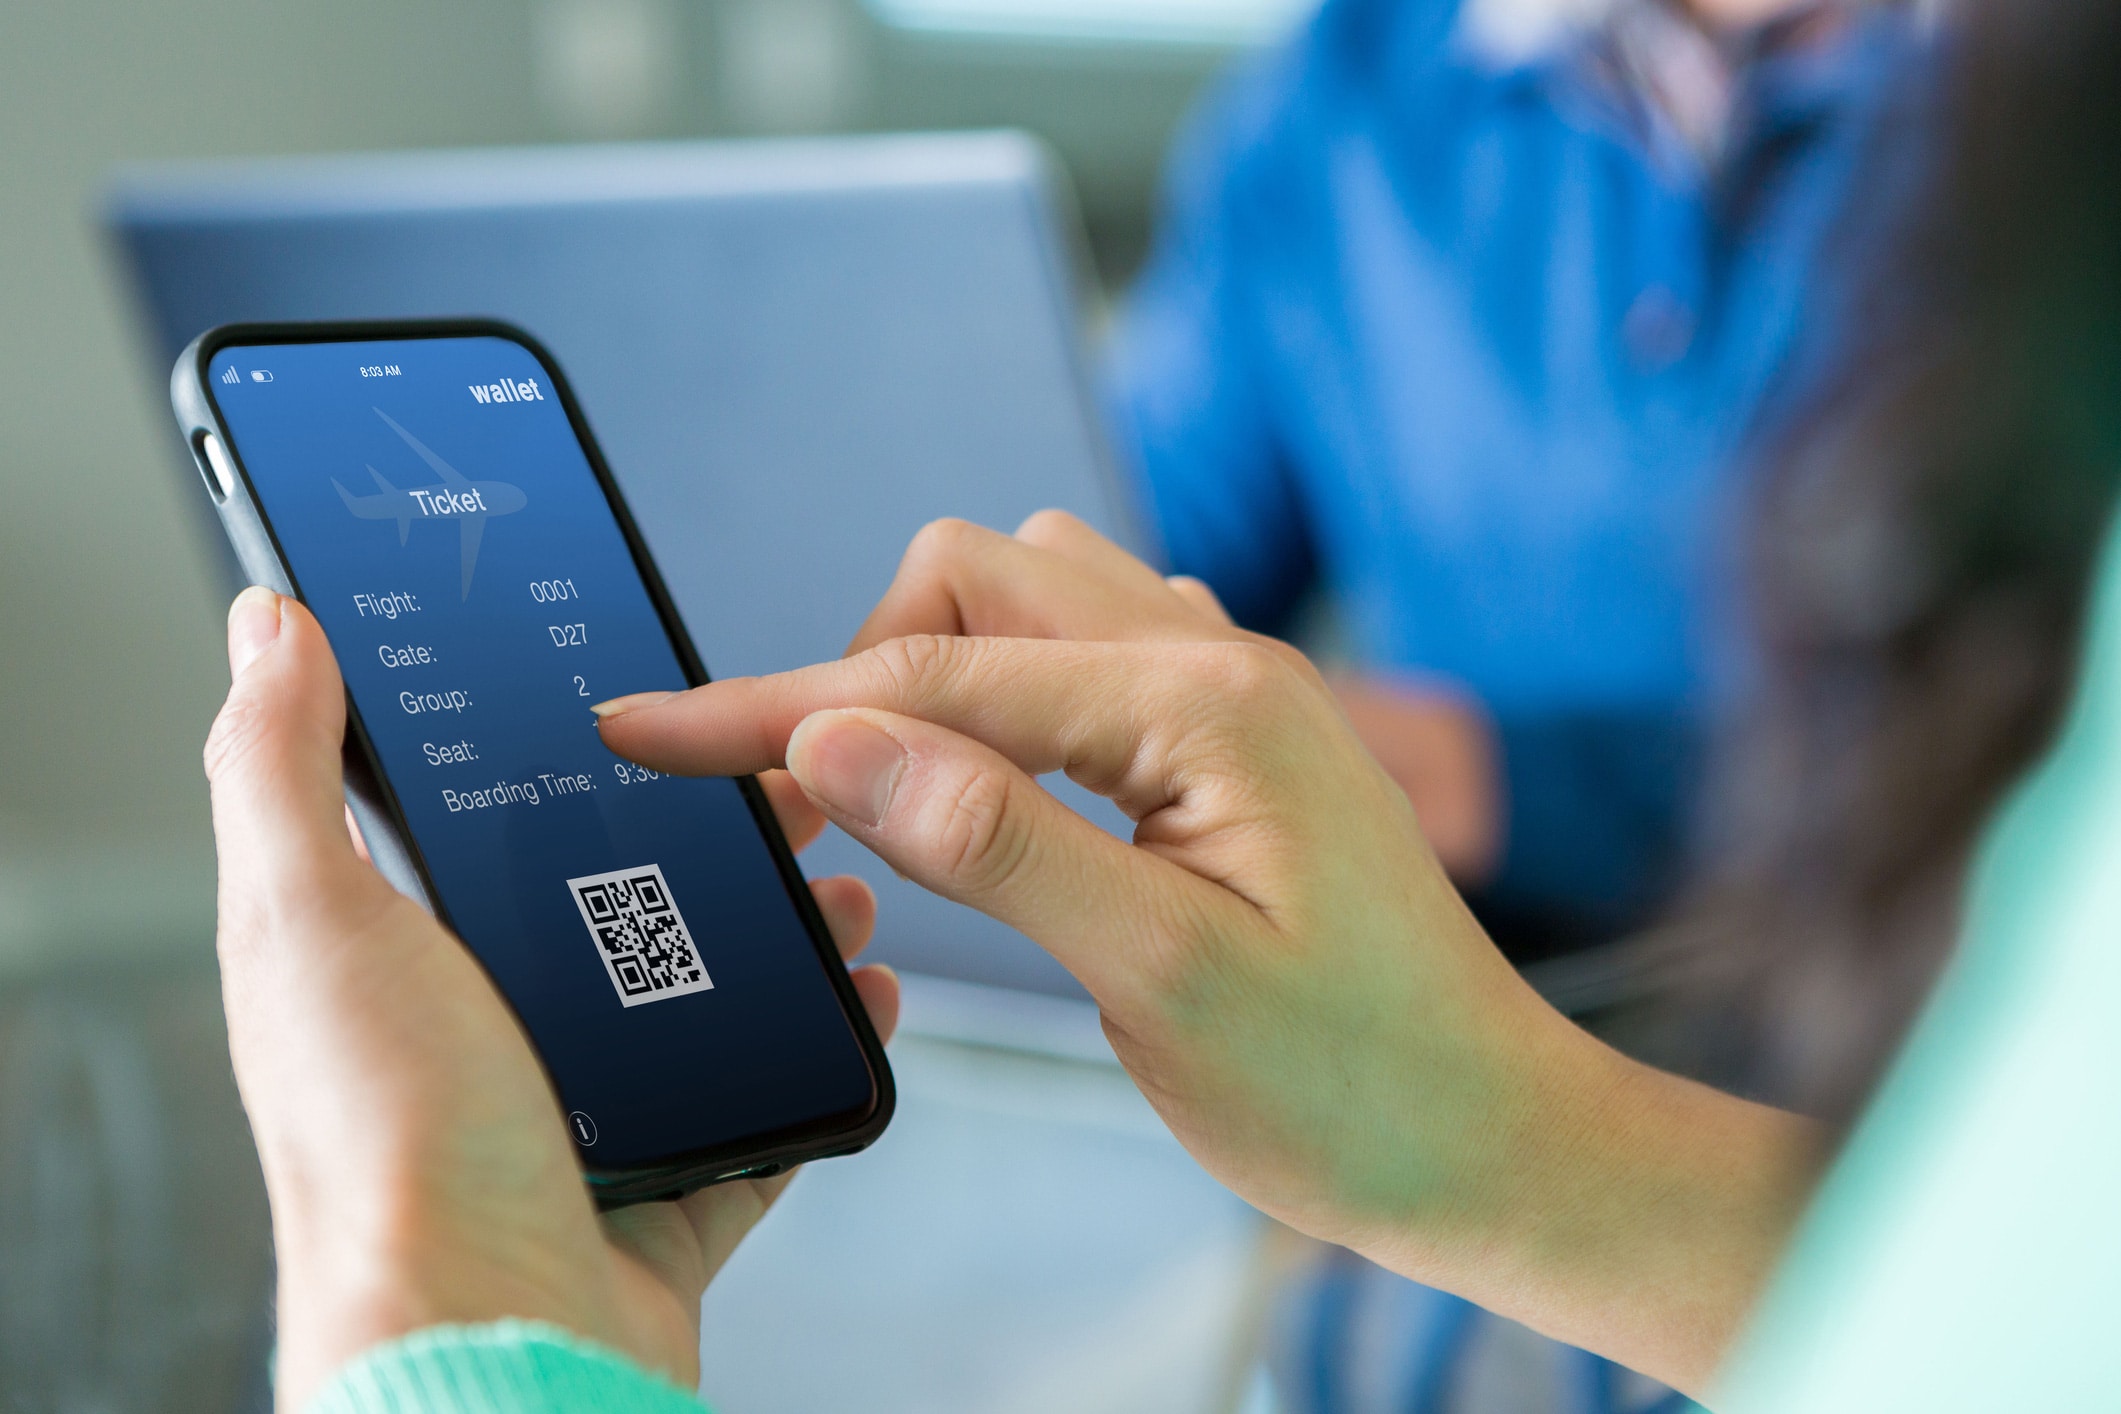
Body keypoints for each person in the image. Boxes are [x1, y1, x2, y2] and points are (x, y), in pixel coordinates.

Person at [205, 0, 2121, 1406]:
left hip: (1891, 1053)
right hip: (1470, 1060)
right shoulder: (1352, 91)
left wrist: (436, 1307)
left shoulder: (2048, 123)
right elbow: (1149, 530)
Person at [1104, 0, 1927, 961]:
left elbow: (2022, 724)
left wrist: (1480, 779)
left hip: (1916, 998)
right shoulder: (1346, 84)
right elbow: (1149, 550)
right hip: (1457, 977)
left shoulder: (2029, 113)